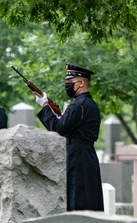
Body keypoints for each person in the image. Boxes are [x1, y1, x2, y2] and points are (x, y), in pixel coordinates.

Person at [35, 63, 104, 212]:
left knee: (77, 200)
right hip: (85, 155)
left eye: (70, 83)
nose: (67, 86)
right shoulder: (88, 104)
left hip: (77, 157)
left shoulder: (79, 105)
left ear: (81, 83)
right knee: (87, 199)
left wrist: (46, 106)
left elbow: (58, 128)